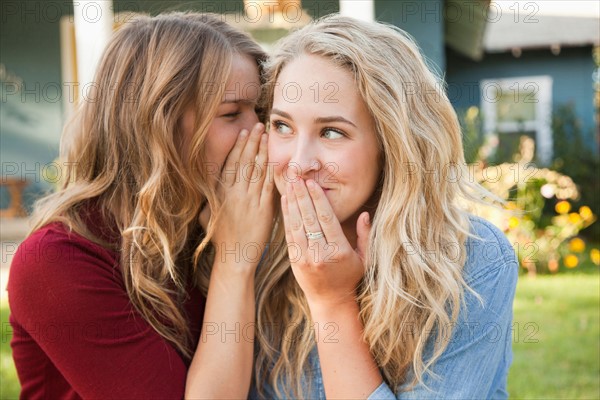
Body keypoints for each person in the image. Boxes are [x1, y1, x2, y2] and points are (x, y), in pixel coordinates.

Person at [7, 12, 274, 399]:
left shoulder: (212, 218)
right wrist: (235, 260)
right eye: (233, 113)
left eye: (261, 112)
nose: (259, 132)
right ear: (158, 126)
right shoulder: (57, 260)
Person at [250, 15, 519, 399]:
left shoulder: (473, 260)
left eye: (332, 132)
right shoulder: (254, 252)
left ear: (391, 144)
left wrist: (333, 303)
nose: (298, 162)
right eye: (282, 126)